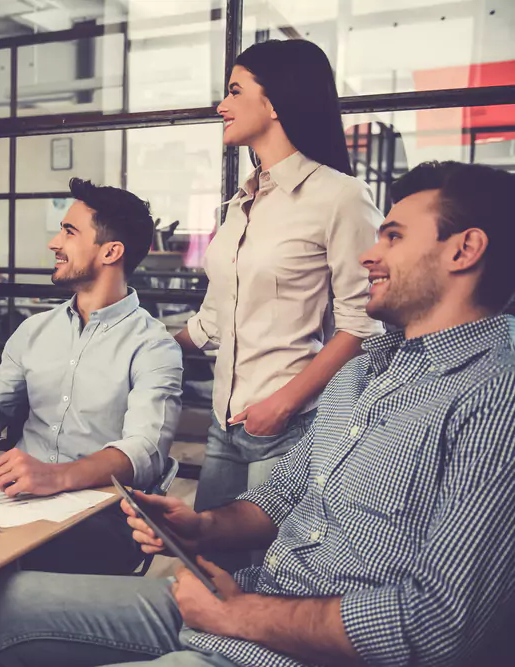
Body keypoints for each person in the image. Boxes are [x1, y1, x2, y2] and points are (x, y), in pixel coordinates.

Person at [0, 160, 515, 667]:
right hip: (249, 600)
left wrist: (240, 614)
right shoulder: (362, 372)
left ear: (464, 250)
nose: (368, 254)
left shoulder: (494, 395)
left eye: (392, 237)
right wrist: (201, 527)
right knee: (0, 605)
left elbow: (439, 624)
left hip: (286, 637)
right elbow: (283, 496)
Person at [173, 40, 385, 569]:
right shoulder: (241, 202)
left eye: (234, 91)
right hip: (224, 422)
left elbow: (363, 326)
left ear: (273, 102)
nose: (221, 105)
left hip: (289, 425)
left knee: (270, 574)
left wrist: (283, 404)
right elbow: (213, 318)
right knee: (207, 566)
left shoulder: (340, 196)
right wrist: (136, 346)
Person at [0, 178, 183, 576]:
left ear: (111, 251)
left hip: (99, 513)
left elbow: (145, 452)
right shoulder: (34, 330)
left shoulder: (154, 346)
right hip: (14, 499)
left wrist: (55, 477)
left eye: (69, 232)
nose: (54, 243)